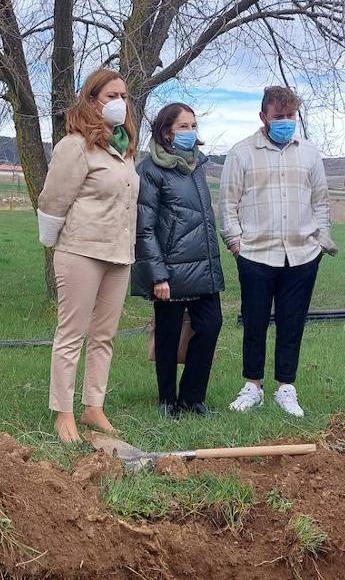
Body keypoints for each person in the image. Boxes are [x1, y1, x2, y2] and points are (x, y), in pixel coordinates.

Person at [219, 86, 337, 418]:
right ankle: (253, 385)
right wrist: (235, 242)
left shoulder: (310, 154)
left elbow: (321, 203)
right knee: (254, 322)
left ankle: (286, 387)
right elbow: (228, 203)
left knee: (292, 322)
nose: (285, 122)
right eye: (278, 117)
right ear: (263, 117)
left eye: (290, 116)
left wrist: (319, 239)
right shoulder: (241, 153)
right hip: (256, 252)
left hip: (301, 254)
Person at [37, 68, 140, 443]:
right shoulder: (75, 146)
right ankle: (63, 412)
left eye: (123, 96)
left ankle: (93, 406)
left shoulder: (123, 146)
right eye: (111, 95)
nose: (119, 103)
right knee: (72, 333)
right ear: (92, 99)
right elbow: (53, 198)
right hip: (81, 250)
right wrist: (51, 239)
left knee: (104, 335)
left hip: (118, 253)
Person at [131, 102, 225, 418]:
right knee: (168, 337)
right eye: (182, 126)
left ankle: (192, 398)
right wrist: (158, 275)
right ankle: (168, 401)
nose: (189, 132)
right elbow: (144, 227)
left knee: (211, 326)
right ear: (166, 130)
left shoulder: (196, 167)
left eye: (193, 125)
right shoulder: (150, 169)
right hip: (170, 269)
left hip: (202, 266)